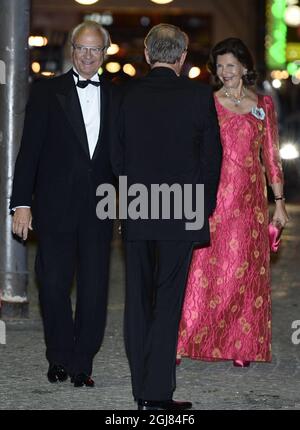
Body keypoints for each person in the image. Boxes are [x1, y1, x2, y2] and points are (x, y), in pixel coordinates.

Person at [111, 24, 222, 410]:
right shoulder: (198, 95)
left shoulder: (126, 95)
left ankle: (141, 391)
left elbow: (116, 155)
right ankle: (157, 394)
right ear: (182, 56)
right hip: (182, 210)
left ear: (146, 54)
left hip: (139, 208)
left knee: (137, 302)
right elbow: (212, 159)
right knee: (168, 302)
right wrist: (203, 207)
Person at [10, 21, 115, 387]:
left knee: (94, 289)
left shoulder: (119, 95)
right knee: (53, 285)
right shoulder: (46, 92)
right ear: (72, 50)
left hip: (102, 209)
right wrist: (21, 202)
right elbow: (29, 153)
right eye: (82, 49)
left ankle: (82, 362)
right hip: (54, 207)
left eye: (95, 50)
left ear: (104, 54)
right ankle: (58, 355)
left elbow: (127, 157)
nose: (88, 56)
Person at [177, 38, 289, 367]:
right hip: (216, 195)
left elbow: (271, 155)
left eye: (231, 65)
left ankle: (242, 345)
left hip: (252, 199)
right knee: (202, 270)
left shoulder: (263, 105)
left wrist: (279, 202)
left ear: (244, 66)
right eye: (220, 66)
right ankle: (183, 340)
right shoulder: (208, 103)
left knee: (246, 271)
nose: (225, 72)